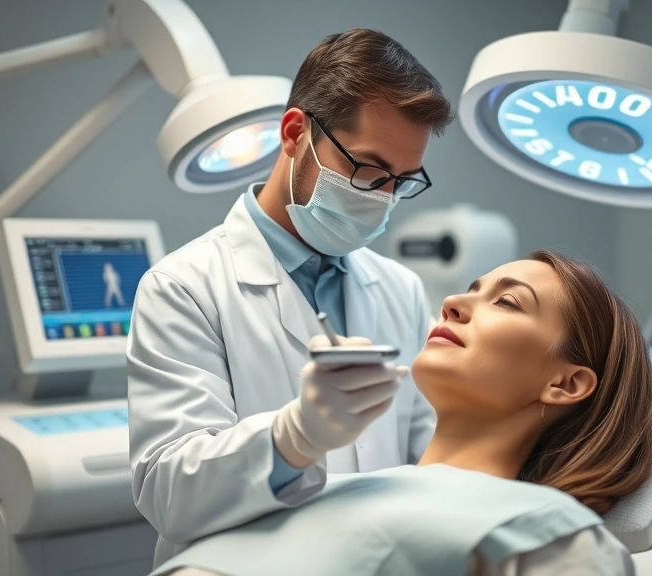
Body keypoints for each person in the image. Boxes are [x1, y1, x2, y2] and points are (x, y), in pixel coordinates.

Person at [127, 29, 454, 566]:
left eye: (401, 182)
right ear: (295, 133)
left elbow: (430, 460)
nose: (383, 199)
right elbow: (169, 496)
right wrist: (294, 437)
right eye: (368, 170)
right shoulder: (184, 287)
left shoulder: (400, 288)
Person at [149, 251, 652, 576]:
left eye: (507, 302)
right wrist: (297, 434)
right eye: (471, 289)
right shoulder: (315, 488)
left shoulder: (548, 535)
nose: (453, 302)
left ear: (566, 383)